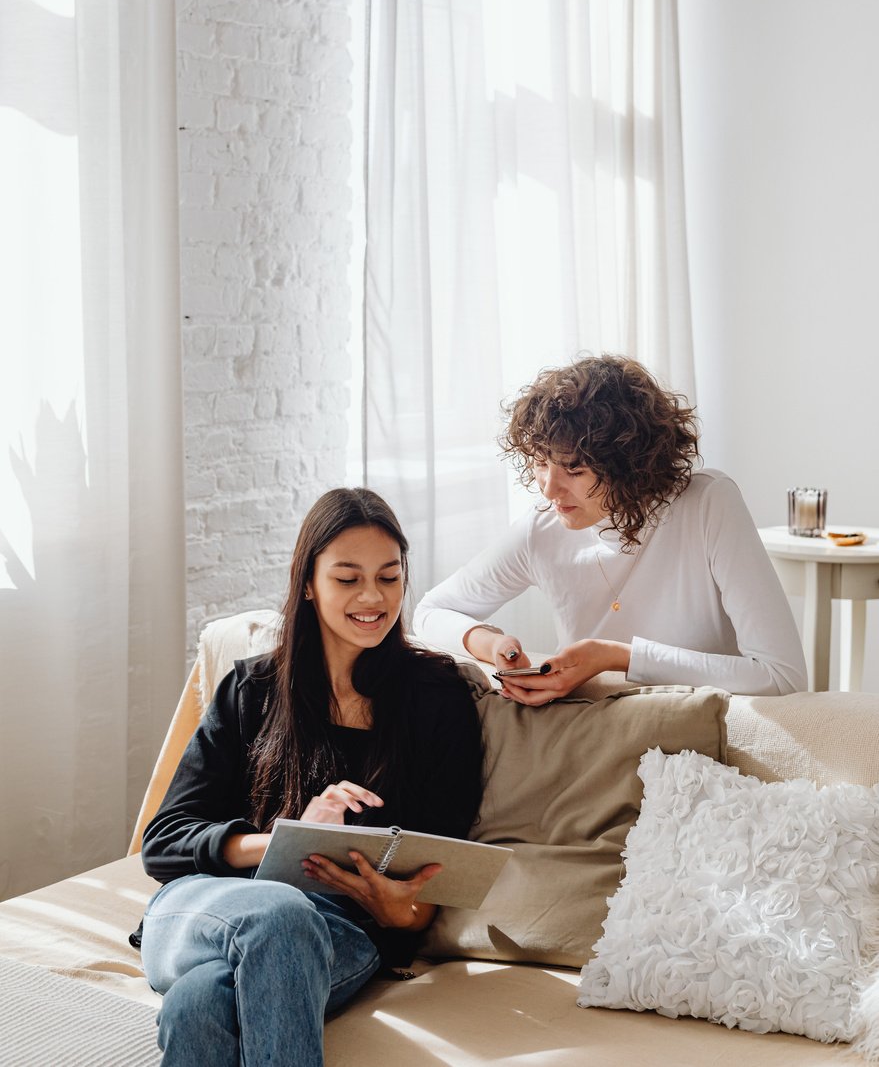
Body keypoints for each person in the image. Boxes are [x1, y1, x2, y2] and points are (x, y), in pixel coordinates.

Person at [138, 488, 484, 1067]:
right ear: (308, 583)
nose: (373, 597)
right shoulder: (251, 690)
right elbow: (164, 842)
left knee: (198, 1005)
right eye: (348, 578)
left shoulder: (437, 699)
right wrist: (288, 837)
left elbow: (435, 876)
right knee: (278, 910)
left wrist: (396, 908)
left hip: (339, 930)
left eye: (390, 577)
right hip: (209, 907)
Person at [414, 354, 808, 701]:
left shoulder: (707, 504)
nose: (550, 489)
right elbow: (432, 611)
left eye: (574, 469)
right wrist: (492, 643)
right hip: (595, 737)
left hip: (698, 738)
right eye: (539, 463)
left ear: (630, 465)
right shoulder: (542, 531)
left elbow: (782, 676)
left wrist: (617, 657)